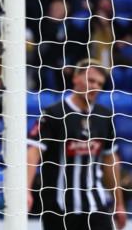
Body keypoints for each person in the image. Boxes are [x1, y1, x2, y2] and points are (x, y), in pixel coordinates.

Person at [27, 59, 127, 230]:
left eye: (99, 83)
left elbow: (110, 160)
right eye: (91, 80)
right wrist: (26, 189)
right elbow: (33, 152)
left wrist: (119, 203)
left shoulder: (104, 116)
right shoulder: (54, 113)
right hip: (60, 209)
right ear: (76, 78)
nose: (95, 86)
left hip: (96, 206)